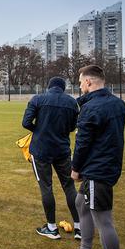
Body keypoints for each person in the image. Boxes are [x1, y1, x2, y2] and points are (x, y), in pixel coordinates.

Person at [63, 65, 125, 249]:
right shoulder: (118, 103)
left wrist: (75, 168)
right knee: (80, 202)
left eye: (81, 82)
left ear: (89, 83)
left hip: (97, 169)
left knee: (104, 220)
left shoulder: (91, 109)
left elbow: (82, 143)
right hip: (108, 165)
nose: (80, 86)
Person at [22, 77, 81, 240]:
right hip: (62, 149)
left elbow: (26, 122)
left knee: (46, 187)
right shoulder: (72, 102)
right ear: (63, 88)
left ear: (48, 87)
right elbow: (72, 127)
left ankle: (52, 228)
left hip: (41, 150)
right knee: (69, 186)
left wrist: (39, 130)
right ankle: (79, 227)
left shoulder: (38, 99)